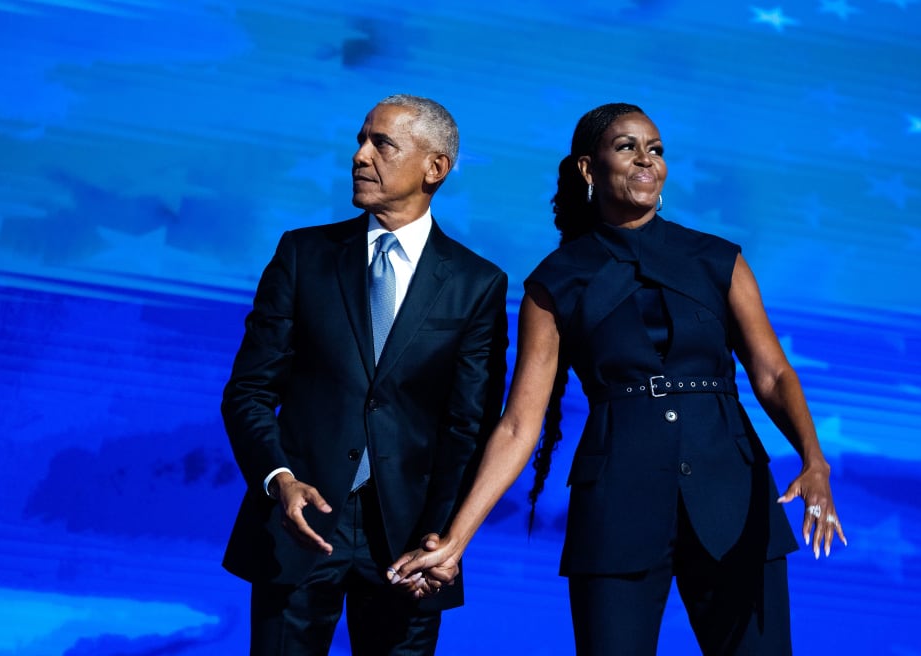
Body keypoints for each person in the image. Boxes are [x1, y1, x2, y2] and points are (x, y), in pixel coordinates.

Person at [389, 103, 846, 655]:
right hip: (616, 508)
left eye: (655, 149)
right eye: (627, 146)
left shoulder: (718, 259)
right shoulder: (554, 283)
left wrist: (813, 460)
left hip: (734, 495)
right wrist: (456, 540)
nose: (646, 159)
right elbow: (518, 426)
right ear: (588, 169)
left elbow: (772, 374)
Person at [221, 94, 508, 655]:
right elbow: (249, 391)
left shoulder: (477, 284)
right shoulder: (303, 255)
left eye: (382, 143)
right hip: (298, 531)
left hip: (410, 548)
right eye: (360, 139)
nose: (359, 156)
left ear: (435, 168)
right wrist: (280, 478)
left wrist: (445, 539)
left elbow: (469, 426)